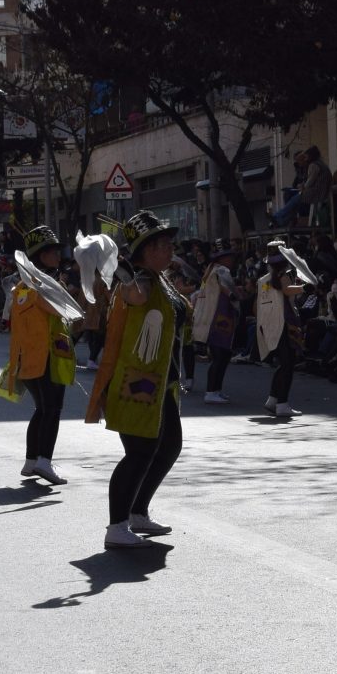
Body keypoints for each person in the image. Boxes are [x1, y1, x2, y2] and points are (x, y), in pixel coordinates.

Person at [88, 211, 187, 550]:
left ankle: (137, 512)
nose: (169, 249)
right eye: (162, 245)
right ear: (144, 250)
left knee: (168, 447)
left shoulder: (160, 279)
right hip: (137, 381)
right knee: (140, 452)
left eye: (169, 243)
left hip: (164, 383)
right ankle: (116, 526)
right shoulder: (139, 281)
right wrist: (118, 269)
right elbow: (137, 297)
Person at [5, 227, 77, 483]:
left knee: (41, 409)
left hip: (28, 358)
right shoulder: (43, 285)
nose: (58, 255)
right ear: (40, 257)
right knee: (52, 409)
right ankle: (44, 461)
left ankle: (31, 460)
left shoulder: (22, 286)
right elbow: (64, 311)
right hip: (47, 356)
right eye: (52, 251)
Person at [254, 243, 309, 418]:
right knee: (288, 364)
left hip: (271, 324)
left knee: (283, 363)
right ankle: (282, 403)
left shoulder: (264, 279)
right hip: (286, 323)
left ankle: (273, 399)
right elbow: (287, 290)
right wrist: (305, 288)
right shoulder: (284, 275)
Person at [190, 251, 240, 405]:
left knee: (222, 357)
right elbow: (225, 287)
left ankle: (216, 390)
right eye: (230, 257)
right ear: (223, 258)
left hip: (211, 317)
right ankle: (211, 392)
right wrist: (234, 295)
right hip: (219, 317)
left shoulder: (210, 270)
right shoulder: (221, 270)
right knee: (220, 357)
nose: (232, 260)